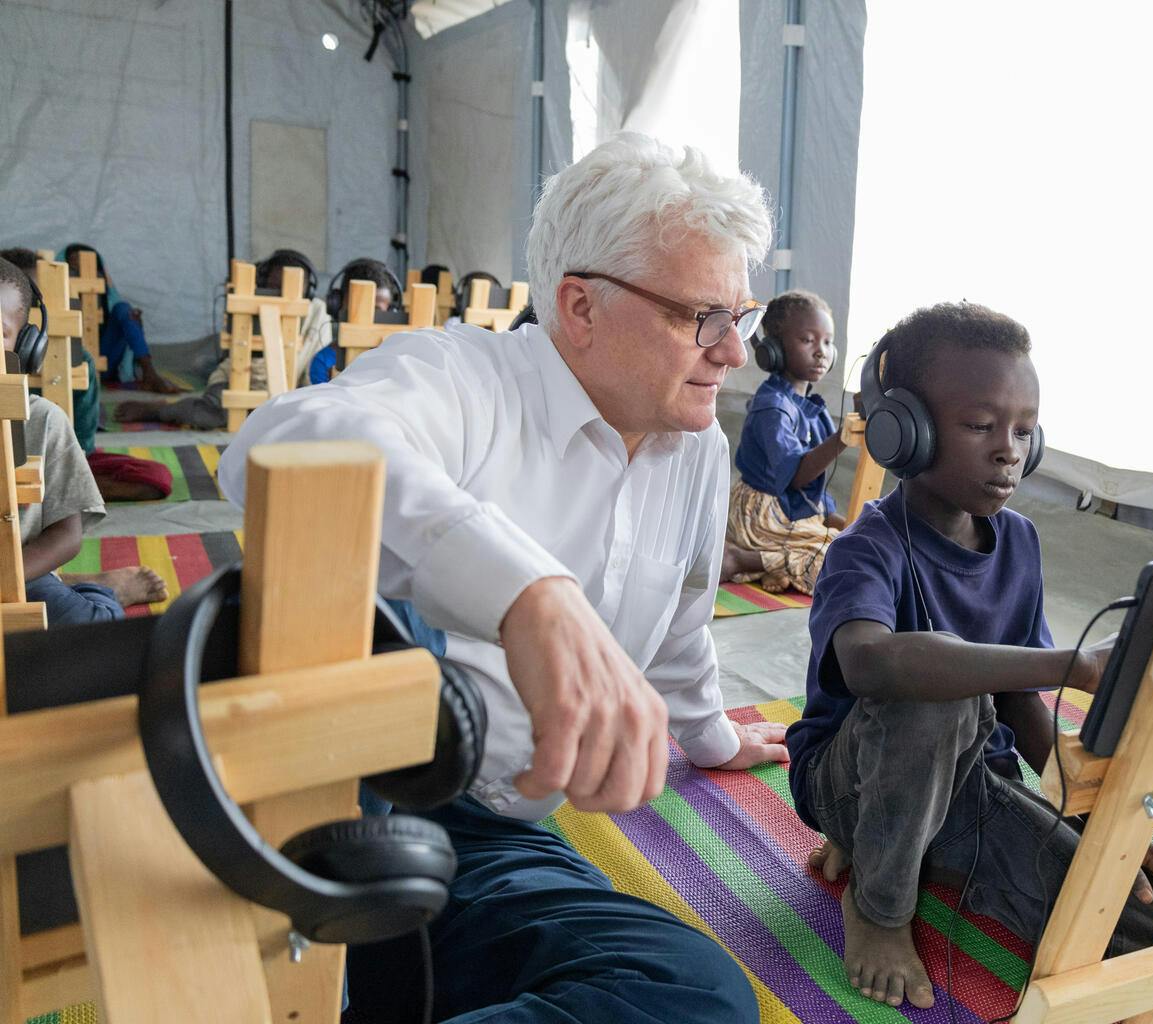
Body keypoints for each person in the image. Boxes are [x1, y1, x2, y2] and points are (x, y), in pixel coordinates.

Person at [220, 133, 787, 1024]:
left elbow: (680, 620)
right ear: (580, 306)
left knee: (688, 993)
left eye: (741, 317)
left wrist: (710, 737)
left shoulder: (698, 447)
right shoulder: (467, 377)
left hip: (496, 835)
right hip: (348, 797)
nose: (735, 352)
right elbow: (278, 444)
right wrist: (531, 594)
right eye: (701, 318)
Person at [785, 303, 1153, 1010]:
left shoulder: (1019, 541)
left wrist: (1086, 818)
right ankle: (878, 907)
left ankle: (892, 847)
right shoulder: (863, 550)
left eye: (1025, 430)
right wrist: (1068, 666)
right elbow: (874, 665)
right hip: (850, 777)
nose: (1010, 450)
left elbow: (1020, 703)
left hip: (968, 781)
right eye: (979, 426)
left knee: (1134, 923)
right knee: (940, 688)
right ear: (904, 433)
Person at [0, 258, 166, 619]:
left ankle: (102, 591)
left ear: (27, 348)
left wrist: (6, 579)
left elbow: (66, 535)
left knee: (90, 633)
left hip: (17, 573)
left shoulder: (43, 420)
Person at [0, 248, 172, 500]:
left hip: (58, 460)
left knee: (156, 477)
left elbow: (82, 447)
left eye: (36, 306)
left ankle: (59, 490)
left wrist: (64, 467)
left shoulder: (80, 363)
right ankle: (68, 493)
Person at [114, 249, 334, 430]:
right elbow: (244, 364)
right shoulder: (251, 301)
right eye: (274, 287)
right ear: (263, 281)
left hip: (284, 386)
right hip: (238, 375)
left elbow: (313, 370)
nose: (279, 294)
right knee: (211, 402)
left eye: (290, 287)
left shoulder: (317, 313)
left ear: (309, 289)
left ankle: (170, 403)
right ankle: (164, 409)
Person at [722, 289, 846, 593]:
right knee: (838, 564)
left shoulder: (810, 405)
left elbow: (815, 484)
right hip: (764, 513)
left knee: (857, 545)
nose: (821, 352)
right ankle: (743, 559)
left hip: (792, 509)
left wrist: (830, 515)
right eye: (808, 340)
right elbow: (796, 476)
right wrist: (841, 439)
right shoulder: (773, 407)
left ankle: (772, 566)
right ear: (773, 349)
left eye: (827, 342)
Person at [62, 243, 182, 393]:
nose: (79, 266)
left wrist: (132, 321)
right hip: (70, 362)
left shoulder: (101, 284)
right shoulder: (58, 285)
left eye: (86, 262)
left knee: (124, 310)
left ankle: (149, 373)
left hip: (105, 361)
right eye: (74, 261)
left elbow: (119, 313)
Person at [306, 259, 399, 385]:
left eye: (376, 311)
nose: (364, 318)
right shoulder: (323, 362)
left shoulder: (398, 359)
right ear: (338, 305)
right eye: (358, 308)